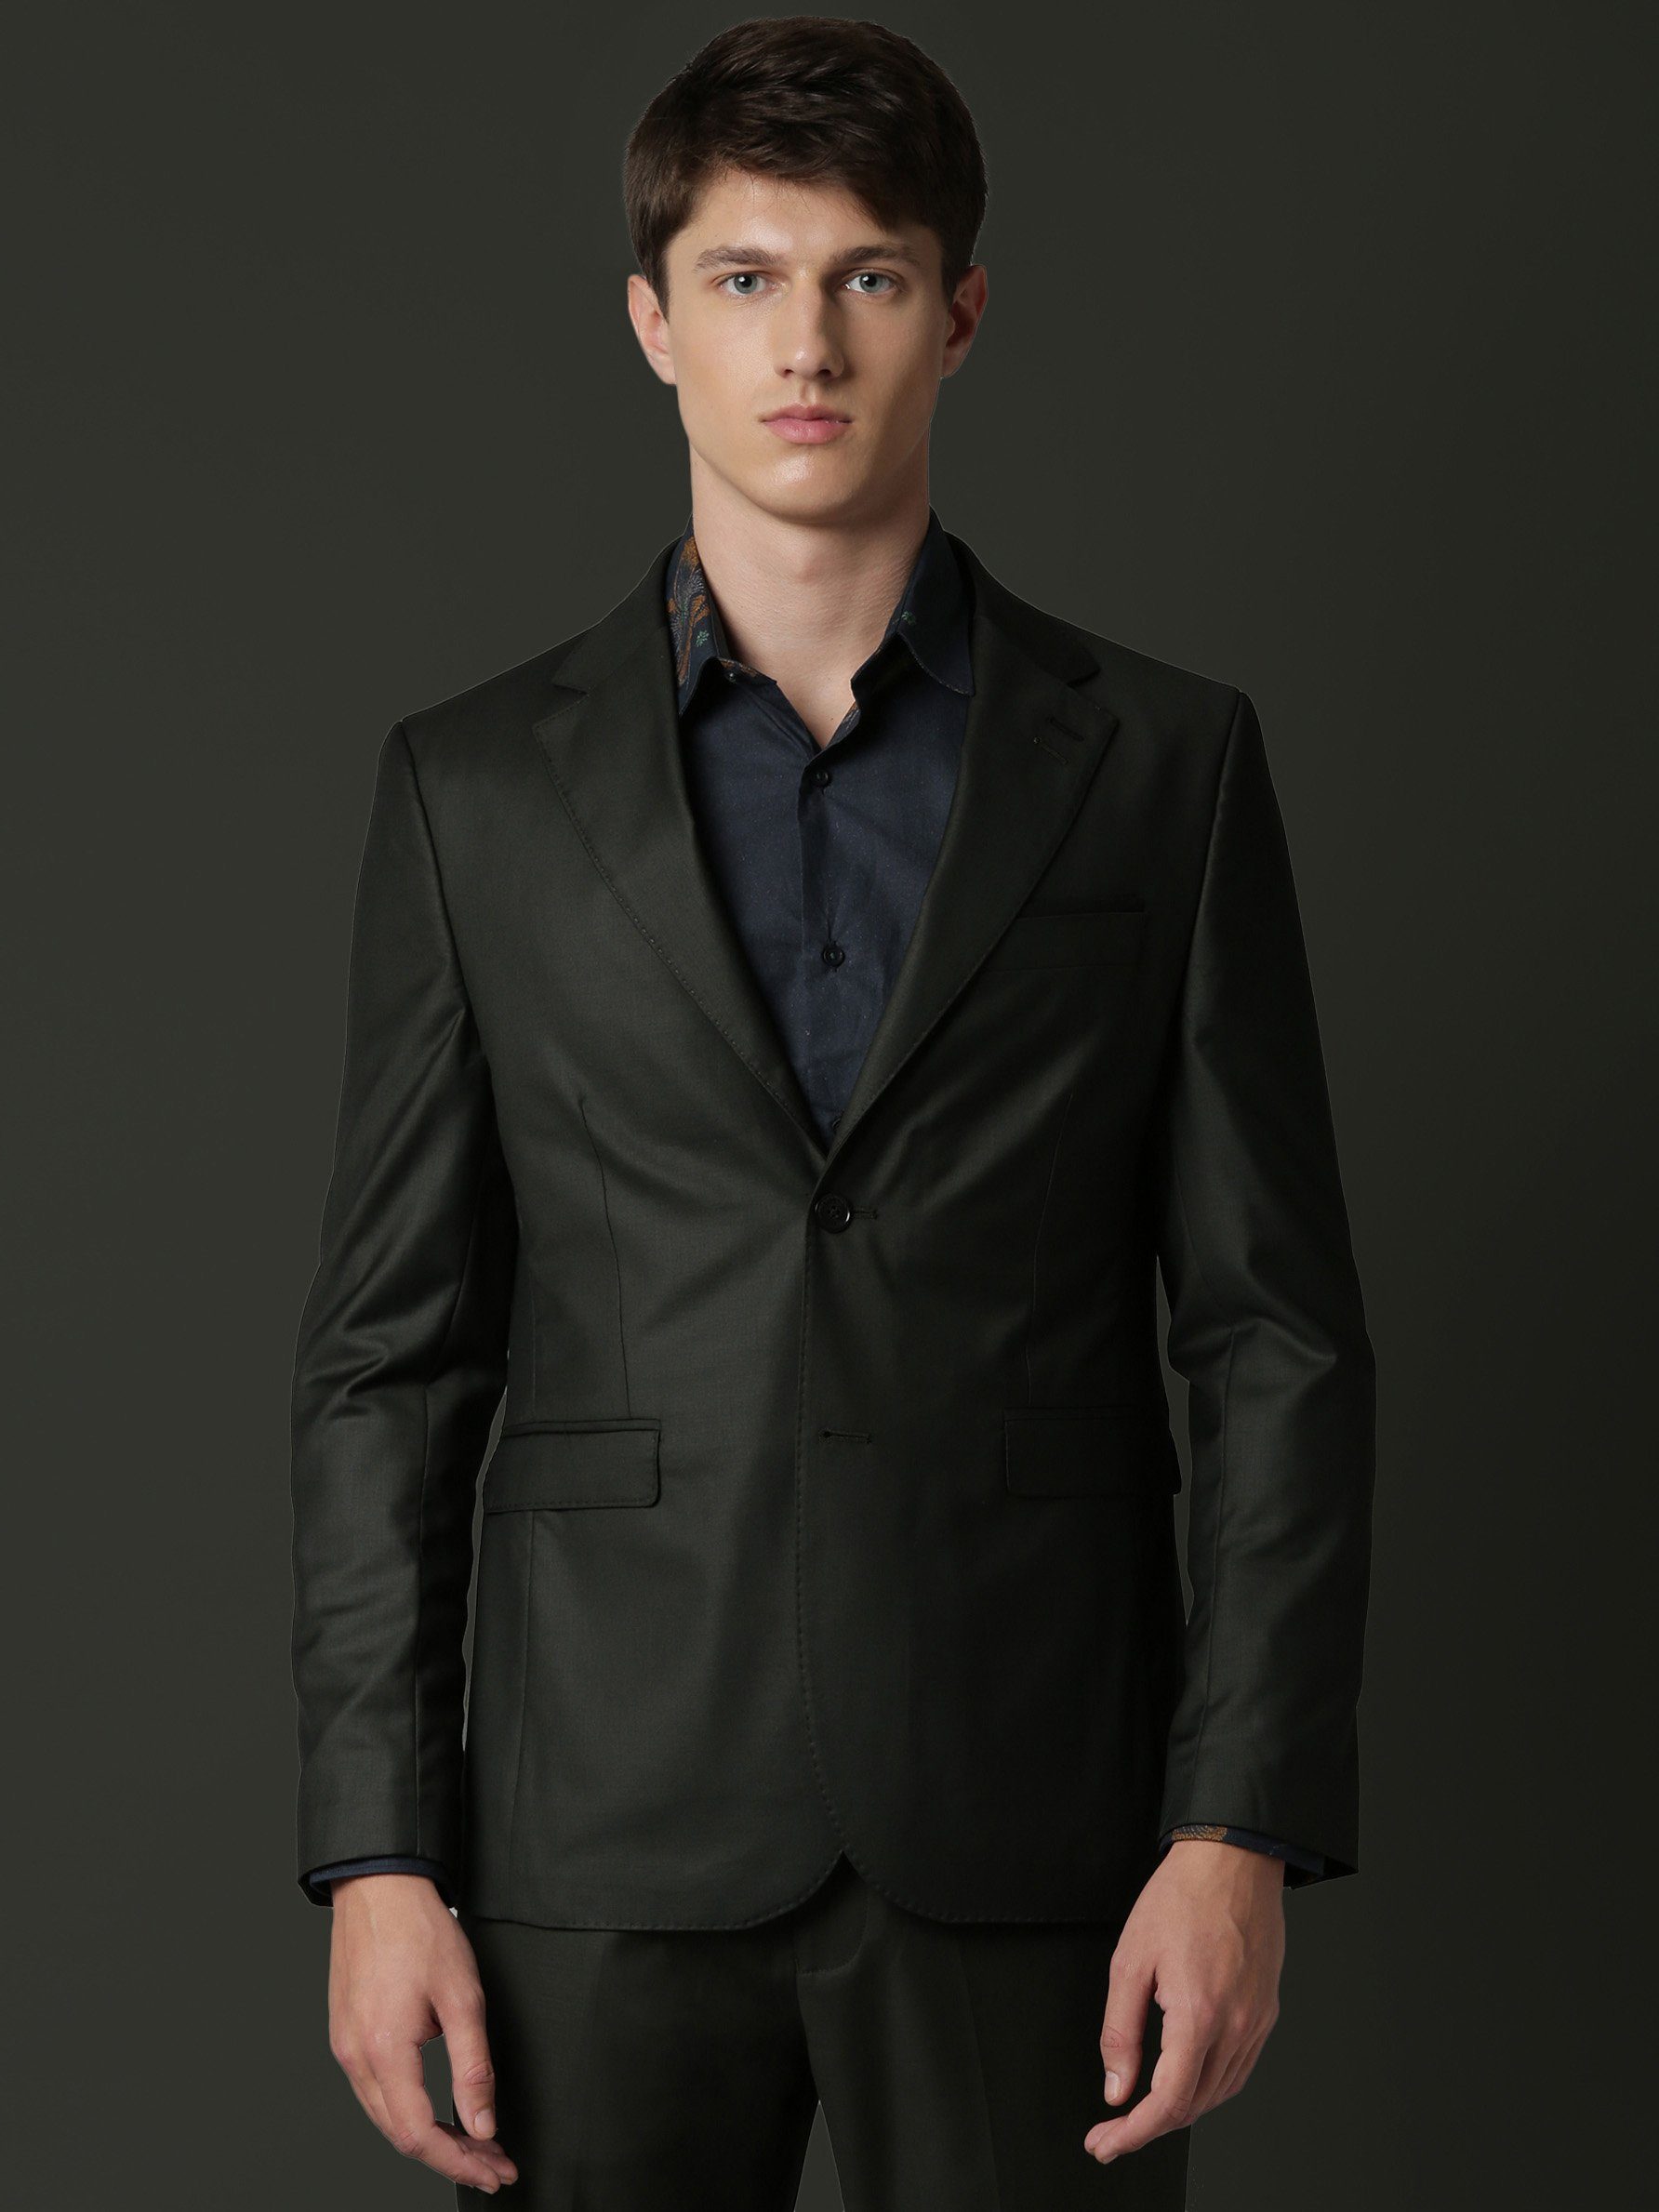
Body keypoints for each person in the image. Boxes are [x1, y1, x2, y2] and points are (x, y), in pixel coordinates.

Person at [288, 18, 1375, 2208]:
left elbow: (1274, 1334)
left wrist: (1235, 1820)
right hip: (594, 1824)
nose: (807, 345)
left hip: (1036, 1813)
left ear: (959, 314)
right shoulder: (473, 789)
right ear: (651, 322)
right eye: (746, 278)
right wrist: (376, 1852)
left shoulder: (1166, 766)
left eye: (868, 277)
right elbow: (390, 1357)